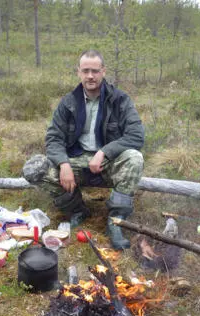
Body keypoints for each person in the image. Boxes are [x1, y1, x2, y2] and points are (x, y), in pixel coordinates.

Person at [23, 50, 144, 249]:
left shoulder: (120, 100)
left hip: (108, 162)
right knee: (34, 168)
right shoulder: (68, 102)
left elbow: (136, 136)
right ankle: (77, 210)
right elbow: (53, 138)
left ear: (103, 71)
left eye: (95, 71)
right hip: (76, 161)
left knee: (134, 158)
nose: (90, 76)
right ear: (78, 72)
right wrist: (63, 164)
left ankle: (115, 221)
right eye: (86, 71)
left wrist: (104, 152)